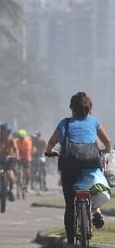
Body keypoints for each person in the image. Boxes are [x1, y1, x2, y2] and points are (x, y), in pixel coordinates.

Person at [44, 92, 111, 248]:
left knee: (69, 204)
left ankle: (70, 242)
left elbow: (52, 141)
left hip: (70, 163)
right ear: (89, 107)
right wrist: (106, 150)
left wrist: (49, 151)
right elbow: (107, 141)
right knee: (94, 183)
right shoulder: (94, 121)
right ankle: (96, 211)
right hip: (91, 160)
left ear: (71, 108)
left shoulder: (65, 123)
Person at [0, 123, 18, 202]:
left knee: (10, 176)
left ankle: (10, 191)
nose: (8, 133)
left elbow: (15, 149)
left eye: (9, 131)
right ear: (2, 132)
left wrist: (17, 156)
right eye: (6, 131)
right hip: (0, 158)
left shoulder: (12, 140)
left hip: (9, 159)